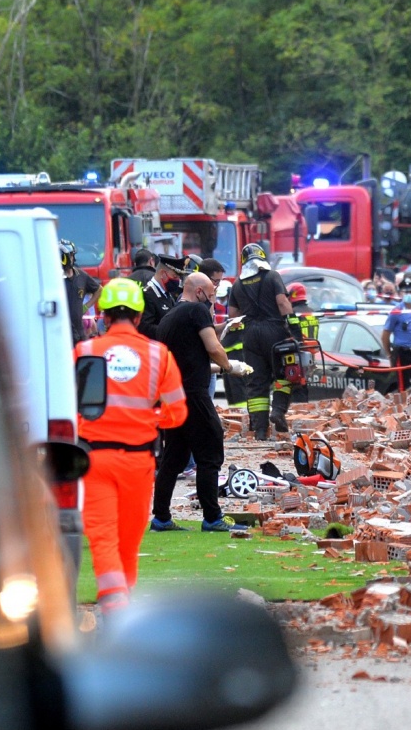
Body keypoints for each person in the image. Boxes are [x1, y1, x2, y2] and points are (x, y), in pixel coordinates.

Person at [74, 278, 188, 613]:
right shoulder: (158, 355)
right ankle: (120, 598)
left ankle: (114, 599)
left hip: (94, 458)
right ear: (138, 316)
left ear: (104, 316)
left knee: (102, 532)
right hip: (139, 460)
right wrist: (151, 420)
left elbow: (63, 405)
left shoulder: (84, 352)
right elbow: (177, 413)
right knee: (130, 534)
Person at [151, 273, 249, 533]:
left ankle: (160, 517)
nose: (213, 302)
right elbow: (213, 347)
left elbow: (188, 354)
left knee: (174, 456)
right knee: (211, 448)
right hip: (194, 393)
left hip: (172, 395)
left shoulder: (170, 317)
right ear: (199, 292)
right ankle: (212, 517)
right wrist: (229, 367)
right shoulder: (197, 311)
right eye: (212, 296)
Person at [228, 242, 293, 440]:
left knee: (257, 382)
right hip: (276, 332)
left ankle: (260, 430)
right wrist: (295, 329)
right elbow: (282, 303)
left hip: (250, 336)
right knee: (284, 374)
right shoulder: (272, 276)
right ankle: (278, 411)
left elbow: (233, 313)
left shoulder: (237, 284)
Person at [271, 283, 319, 425]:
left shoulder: (293, 313)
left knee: (293, 387)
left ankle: (296, 419)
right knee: (303, 387)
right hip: (310, 355)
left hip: (296, 355)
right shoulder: (312, 312)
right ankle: (303, 417)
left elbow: (290, 332)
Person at [381, 286, 411, 390]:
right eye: (405, 291)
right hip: (402, 353)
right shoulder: (396, 312)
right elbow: (385, 335)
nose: (409, 294)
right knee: (404, 388)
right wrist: (390, 354)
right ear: (400, 293)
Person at [61, 239, 101, 344]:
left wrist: (86, 306)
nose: (73, 258)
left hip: (79, 333)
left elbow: (99, 290)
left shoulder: (81, 276)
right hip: (61, 333)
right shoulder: (54, 278)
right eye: (71, 255)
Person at [138, 255, 183, 338]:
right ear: (162, 273)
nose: (177, 281)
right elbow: (145, 328)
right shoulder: (147, 295)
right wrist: (172, 331)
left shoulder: (166, 294)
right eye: (174, 277)